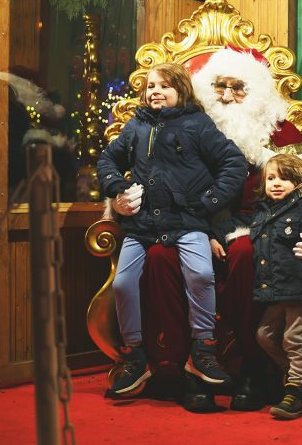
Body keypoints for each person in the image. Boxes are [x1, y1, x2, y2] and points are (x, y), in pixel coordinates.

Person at [112, 47, 302, 411]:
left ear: (254, 91)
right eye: (218, 86)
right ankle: (177, 367)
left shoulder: (281, 131)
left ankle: (251, 367)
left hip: (264, 228)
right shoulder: (190, 123)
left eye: (237, 87)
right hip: (192, 224)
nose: (226, 95)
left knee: (243, 255)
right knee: (160, 256)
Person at [97, 62, 247, 396]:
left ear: (180, 90)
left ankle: (203, 349)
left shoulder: (197, 123)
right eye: (151, 86)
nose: (156, 92)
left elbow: (233, 162)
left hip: (188, 220)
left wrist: (207, 201)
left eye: (164, 86)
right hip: (143, 225)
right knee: (122, 284)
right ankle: (135, 356)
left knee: (200, 275)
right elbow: (107, 159)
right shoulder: (136, 125)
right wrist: (116, 187)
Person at [211, 154, 302, 419]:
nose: (276, 183)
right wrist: (213, 236)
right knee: (264, 335)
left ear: (300, 181)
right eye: (271, 178)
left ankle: (296, 390)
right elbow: (233, 224)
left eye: (285, 178)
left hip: (301, 288)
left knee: (294, 338)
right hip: (276, 290)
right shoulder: (262, 211)